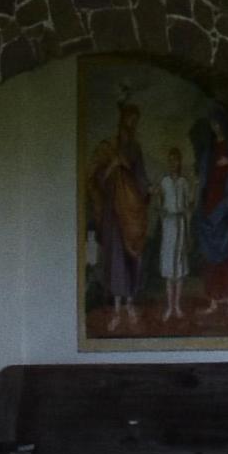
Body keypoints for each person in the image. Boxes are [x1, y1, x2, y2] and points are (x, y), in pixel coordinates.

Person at [86, 97, 151, 332]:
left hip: (132, 210)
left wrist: (148, 190)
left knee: (132, 256)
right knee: (116, 260)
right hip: (114, 211)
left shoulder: (135, 148)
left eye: (136, 121)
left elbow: (141, 178)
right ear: (122, 121)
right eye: (129, 120)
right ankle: (116, 308)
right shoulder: (109, 147)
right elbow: (96, 179)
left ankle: (130, 305)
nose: (132, 124)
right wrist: (114, 165)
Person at [193, 113, 228, 329]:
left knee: (227, 255)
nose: (215, 126)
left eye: (218, 123)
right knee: (211, 256)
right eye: (212, 124)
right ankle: (214, 300)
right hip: (210, 204)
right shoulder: (209, 151)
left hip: (226, 206)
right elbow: (204, 178)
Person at [157, 146, 192, 322]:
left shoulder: (184, 183)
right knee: (169, 267)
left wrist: (185, 215)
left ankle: (177, 306)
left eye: (176, 160)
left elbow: (188, 205)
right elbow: (159, 205)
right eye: (170, 160)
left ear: (179, 162)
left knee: (179, 267)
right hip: (168, 228)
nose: (173, 164)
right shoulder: (164, 182)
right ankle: (169, 307)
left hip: (181, 225)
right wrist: (164, 213)